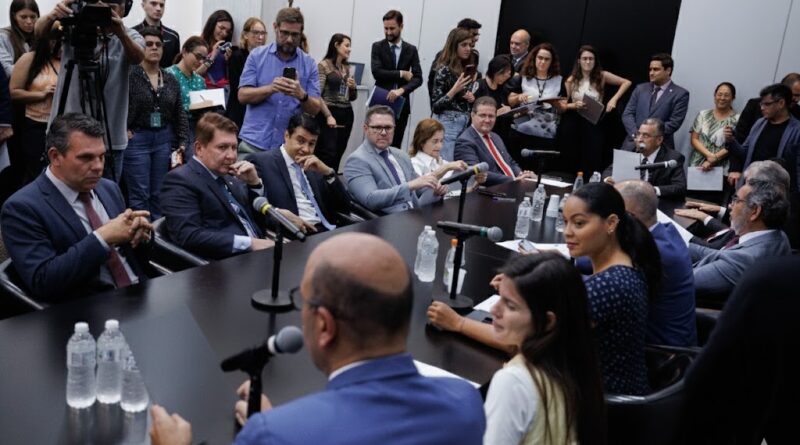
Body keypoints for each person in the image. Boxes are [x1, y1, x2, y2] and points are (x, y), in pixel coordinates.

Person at [149, 233, 486, 445]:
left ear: (324, 326)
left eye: (304, 301)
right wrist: (276, 422)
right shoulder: (465, 403)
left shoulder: (273, 435)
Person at [0, 113, 152, 303]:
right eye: (86, 158)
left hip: (140, 294)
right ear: (55, 156)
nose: (98, 166)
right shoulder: (22, 208)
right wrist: (102, 237)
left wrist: (141, 234)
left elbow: (136, 259)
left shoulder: (109, 188)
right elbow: (43, 280)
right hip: (88, 310)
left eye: (102, 156)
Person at [482, 253, 606, 445]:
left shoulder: (513, 382)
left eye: (511, 306)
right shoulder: (575, 366)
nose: (494, 310)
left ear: (548, 321)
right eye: (500, 298)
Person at [564, 182, 661, 395]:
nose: (567, 232)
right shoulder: (628, 265)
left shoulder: (607, 285)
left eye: (578, 223)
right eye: (565, 222)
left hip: (603, 403)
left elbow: (530, 342)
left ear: (611, 223)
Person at [36, 0, 145, 181]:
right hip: (68, 134)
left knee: (106, 192)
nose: (103, 7)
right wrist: (55, 13)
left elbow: (137, 57)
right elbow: (39, 32)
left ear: (124, 9)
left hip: (110, 138)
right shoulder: (73, 28)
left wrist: (120, 33)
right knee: (63, 189)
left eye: (112, 4)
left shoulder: (129, 35)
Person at [160, 113, 275, 260]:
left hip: (261, 254)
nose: (231, 156)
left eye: (234, 147)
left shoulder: (229, 176)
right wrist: (249, 243)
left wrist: (254, 184)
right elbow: (188, 235)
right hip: (225, 265)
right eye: (222, 147)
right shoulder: (180, 180)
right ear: (199, 148)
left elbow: (256, 221)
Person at [615, 180, 696, 347]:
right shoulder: (667, 232)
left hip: (662, 353)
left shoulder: (655, 251)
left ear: (629, 216)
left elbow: (593, 267)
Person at [690, 173, 791, 299]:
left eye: (736, 200)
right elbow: (718, 254)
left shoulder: (743, 259)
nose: (730, 206)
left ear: (755, 211)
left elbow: (680, 282)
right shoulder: (778, 237)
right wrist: (676, 242)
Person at [247, 113, 352, 234]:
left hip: (328, 231)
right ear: (287, 135)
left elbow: (345, 207)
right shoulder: (262, 162)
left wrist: (328, 173)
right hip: (296, 233)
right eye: (301, 141)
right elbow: (254, 208)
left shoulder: (315, 166)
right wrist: (279, 216)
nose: (306, 149)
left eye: (311, 144)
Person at [237, 7, 322, 154]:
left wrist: (301, 95)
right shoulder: (257, 56)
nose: (289, 39)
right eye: (284, 33)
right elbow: (242, 96)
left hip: (287, 147)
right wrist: (271, 88)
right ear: (275, 27)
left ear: (301, 33)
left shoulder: (309, 64)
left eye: (295, 35)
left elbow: (315, 108)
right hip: (254, 142)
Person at [124, 27, 188, 219]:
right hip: (137, 138)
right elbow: (117, 104)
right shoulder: (129, 75)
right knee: (139, 195)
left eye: (158, 45)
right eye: (149, 44)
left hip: (163, 139)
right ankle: (141, 233)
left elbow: (179, 112)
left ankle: (157, 234)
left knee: (159, 193)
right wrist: (123, 128)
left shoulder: (170, 79)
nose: (154, 48)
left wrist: (183, 141)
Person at [344, 105, 446, 214]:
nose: (383, 133)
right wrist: (410, 186)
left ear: (394, 129)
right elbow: (370, 199)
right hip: (386, 220)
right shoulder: (357, 160)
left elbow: (419, 188)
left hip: (415, 215)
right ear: (366, 129)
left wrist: (435, 190)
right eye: (377, 127)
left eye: (388, 128)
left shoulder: (401, 155)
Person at [563, 45, 632, 175]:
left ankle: (589, 180)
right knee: (573, 153)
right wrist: (574, 105)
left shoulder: (602, 75)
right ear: (579, 61)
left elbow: (626, 82)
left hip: (593, 120)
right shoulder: (571, 79)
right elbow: (563, 105)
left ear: (595, 61)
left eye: (591, 59)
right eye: (585, 58)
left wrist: (613, 99)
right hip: (575, 119)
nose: (588, 62)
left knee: (592, 153)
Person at [7, 31, 60, 186]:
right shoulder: (29, 58)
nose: (56, 44)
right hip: (36, 124)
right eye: (52, 39)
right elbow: (14, 92)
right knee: (37, 173)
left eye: (59, 39)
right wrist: (41, 95)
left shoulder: (66, 58)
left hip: (62, 124)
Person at [726, 83, 800, 188]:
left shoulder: (796, 130)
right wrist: (731, 140)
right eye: (761, 104)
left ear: (781, 103)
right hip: (750, 184)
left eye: (767, 104)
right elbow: (744, 152)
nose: (762, 108)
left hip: (775, 188)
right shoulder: (760, 123)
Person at [506, 42, 567, 168]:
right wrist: (519, 97)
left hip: (546, 132)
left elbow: (563, 108)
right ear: (534, 58)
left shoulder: (559, 80)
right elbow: (510, 100)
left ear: (552, 62)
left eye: (546, 59)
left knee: (539, 170)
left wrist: (556, 104)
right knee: (518, 167)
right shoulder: (523, 77)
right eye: (540, 58)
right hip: (522, 129)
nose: (542, 62)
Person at [454, 96, 536, 186]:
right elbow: (476, 174)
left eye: (491, 116)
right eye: (482, 115)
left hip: (513, 186)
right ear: (472, 115)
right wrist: (514, 180)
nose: (487, 120)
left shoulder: (495, 137)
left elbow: (510, 162)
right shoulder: (464, 141)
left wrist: (521, 175)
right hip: (489, 191)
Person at [370, 10, 423, 149]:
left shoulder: (411, 49)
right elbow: (377, 72)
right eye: (385, 28)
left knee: (395, 145)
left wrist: (402, 90)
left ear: (401, 26)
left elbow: (418, 78)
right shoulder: (377, 47)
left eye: (392, 28)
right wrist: (401, 73)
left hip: (401, 105)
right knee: (375, 143)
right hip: (380, 102)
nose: (388, 32)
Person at [603, 118, 687, 200]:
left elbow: (680, 188)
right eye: (638, 134)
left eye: (645, 136)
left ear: (659, 140)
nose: (639, 139)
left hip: (656, 203)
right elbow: (608, 171)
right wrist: (608, 179)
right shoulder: (629, 150)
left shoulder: (673, 158)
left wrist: (652, 190)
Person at [620, 53, 689, 152]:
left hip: (660, 148)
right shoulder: (640, 89)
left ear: (668, 70)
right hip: (632, 145)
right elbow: (627, 114)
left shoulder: (680, 94)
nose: (651, 73)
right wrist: (637, 136)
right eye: (650, 69)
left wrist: (648, 136)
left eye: (656, 69)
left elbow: (674, 123)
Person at [430, 28, 478, 161]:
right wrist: (454, 90)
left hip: (464, 123)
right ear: (454, 46)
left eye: (470, 45)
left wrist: (470, 97)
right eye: (464, 45)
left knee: (459, 164)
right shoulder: (444, 69)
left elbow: (462, 98)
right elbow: (436, 106)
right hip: (448, 122)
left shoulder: (465, 69)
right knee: (447, 163)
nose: (468, 49)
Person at [408, 118, 486, 194]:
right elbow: (419, 190)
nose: (440, 146)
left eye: (441, 141)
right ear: (421, 142)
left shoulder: (442, 162)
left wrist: (475, 184)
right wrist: (446, 168)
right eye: (435, 141)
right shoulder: (414, 163)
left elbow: (451, 194)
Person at [316, 33, 357, 172]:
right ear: (336, 45)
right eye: (347, 45)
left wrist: (353, 87)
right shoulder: (323, 65)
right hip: (329, 111)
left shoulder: (347, 68)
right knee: (328, 152)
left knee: (339, 150)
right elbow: (317, 94)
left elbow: (352, 97)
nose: (349, 49)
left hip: (346, 112)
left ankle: (332, 180)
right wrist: (328, 115)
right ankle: (321, 180)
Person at [165, 36, 208, 157]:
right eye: (198, 56)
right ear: (184, 52)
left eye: (204, 59)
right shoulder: (168, 74)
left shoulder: (200, 80)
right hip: (173, 128)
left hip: (196, 128)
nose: (201, 62)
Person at [426, 18, 481, 103]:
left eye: (478, 35)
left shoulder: (474, 56)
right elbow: (433, 84)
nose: (476, 38)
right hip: (445, 105)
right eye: (474, 34)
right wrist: (436, 104)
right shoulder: (443, 57)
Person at [226, 17, 267, 130]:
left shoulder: (267, 58)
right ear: (245, 35)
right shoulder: (237, 56)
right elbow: (236, 87)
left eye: (263, 33)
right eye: (255, 33)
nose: (260, 37)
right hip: (239, 111)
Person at [689, 82, 739, 175]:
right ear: (715, 96)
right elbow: (694, 139)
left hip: (723, 168)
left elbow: (737, 144)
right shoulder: (703, 114)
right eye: (719, 94)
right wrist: (710, 156)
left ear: (733, 98)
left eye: (726, 95)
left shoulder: (738, 119)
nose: (722, 98)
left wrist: (715, 158)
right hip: (698, 165)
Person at [472, 54, 513, 141]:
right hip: (481, 131)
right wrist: (495, 113)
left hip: (498, 134)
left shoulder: (503, 88)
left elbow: (505, 106)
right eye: (503, 75)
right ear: (495, 72)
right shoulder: (480, 85)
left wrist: (508, 109)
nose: (505, 78)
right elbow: (473, 111)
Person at [132, 0, 180, 68]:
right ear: (143, 5)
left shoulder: (173, 36)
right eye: (153, 4)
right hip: (136, 74)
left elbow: (176, 67)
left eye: (161, 5)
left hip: (166, 74)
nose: (158, 8)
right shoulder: (132, 34)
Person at [196, 10, 233, 90]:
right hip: (203, 91)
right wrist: (212, 57)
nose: (224, 33)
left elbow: (226, 77)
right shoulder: (198, 44)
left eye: (227, 31)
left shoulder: (223, 48)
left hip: (221, 92)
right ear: (212, 24)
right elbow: (193, 75)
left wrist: (227, 62)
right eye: (221, 28)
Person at [0, 0, 38, 76]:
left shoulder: (40, 36)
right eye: (23, 17)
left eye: (33, 17)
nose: (29, 21)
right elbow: (7, 70)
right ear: (14, 16)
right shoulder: (3, 37)